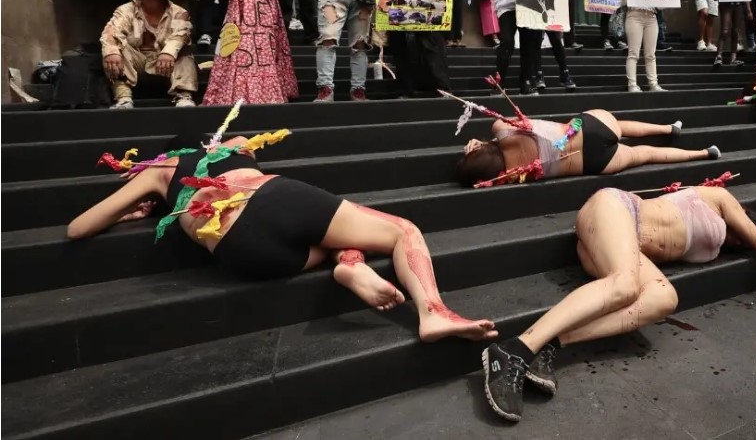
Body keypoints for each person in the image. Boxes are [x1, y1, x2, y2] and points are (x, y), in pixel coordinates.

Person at [67, 133, 497, 343]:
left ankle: (350, 265)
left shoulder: (159, 175)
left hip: (243, 254)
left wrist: (135, 209)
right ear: (202, 144)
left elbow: (77, 228)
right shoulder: (227, 146)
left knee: (331, 235)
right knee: (401, 229)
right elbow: (246, 149)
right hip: (273, 199)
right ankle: (432, 311)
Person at [481, 185, 756, 421]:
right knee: (626, 285)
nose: (735, 239)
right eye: (740, 230)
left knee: (663, 297)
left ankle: (551, 343)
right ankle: (515, 350)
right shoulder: (719, 197)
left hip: (613, 243)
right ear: (742, 215)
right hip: (615, 211)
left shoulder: (728, 230)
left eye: (736, 242)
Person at [455, 111, 720, 186]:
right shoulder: (502, 131)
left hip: (595, 163)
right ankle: (667, 129)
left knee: (646, 155)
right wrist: (482, 144)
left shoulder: (508, 177)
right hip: (587, 128)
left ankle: (703, 153)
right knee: (621, 125)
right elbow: (499, 122)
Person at [100, 0, 199, 109]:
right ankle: (123, 97)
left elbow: (181, 34)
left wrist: (168, 52)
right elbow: (112, 32)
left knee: (184, 53)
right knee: (115, 49)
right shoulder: (126, 10)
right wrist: (112, 52)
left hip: (165, 62)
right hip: (137, 60)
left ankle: (183, 95)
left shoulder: (179, 12)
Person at [714, 0, 748, 70]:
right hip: (726, 5)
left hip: (737, 4)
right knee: (725, 30)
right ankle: (719, 56)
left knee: (735, 31)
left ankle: (733, 58)